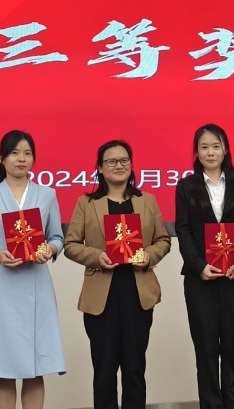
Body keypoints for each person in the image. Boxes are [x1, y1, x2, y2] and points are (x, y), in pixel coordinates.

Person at [64, 140, 172, 409]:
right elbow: (71, 245)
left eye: (124, 160)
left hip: (138, 295)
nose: (118, 166)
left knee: (135, 370)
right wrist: (96, 256)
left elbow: (163, 240)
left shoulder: (146, 200)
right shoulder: (87, 203)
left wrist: (149, 255)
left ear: (131, 165)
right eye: (111, 161)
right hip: (101, 299)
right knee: (104, 372)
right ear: (100, 168)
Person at [0, 130, 65, 409]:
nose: (21, 159)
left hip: (37, 284)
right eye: (14, 153)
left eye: (27, 153)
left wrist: (50, 250)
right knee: (4, 366)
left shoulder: (47, 194)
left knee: (35, 367)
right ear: (2, 158)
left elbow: (57, 237)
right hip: (2, 289)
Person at [175, 124, 234, 409]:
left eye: (215, 146)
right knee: (206, 351)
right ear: (196, 152)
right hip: (201, 280)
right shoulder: (186, 186)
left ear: (225, 150)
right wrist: (198, 265)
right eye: (204, 147)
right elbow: (183, 229)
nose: (210, 152)